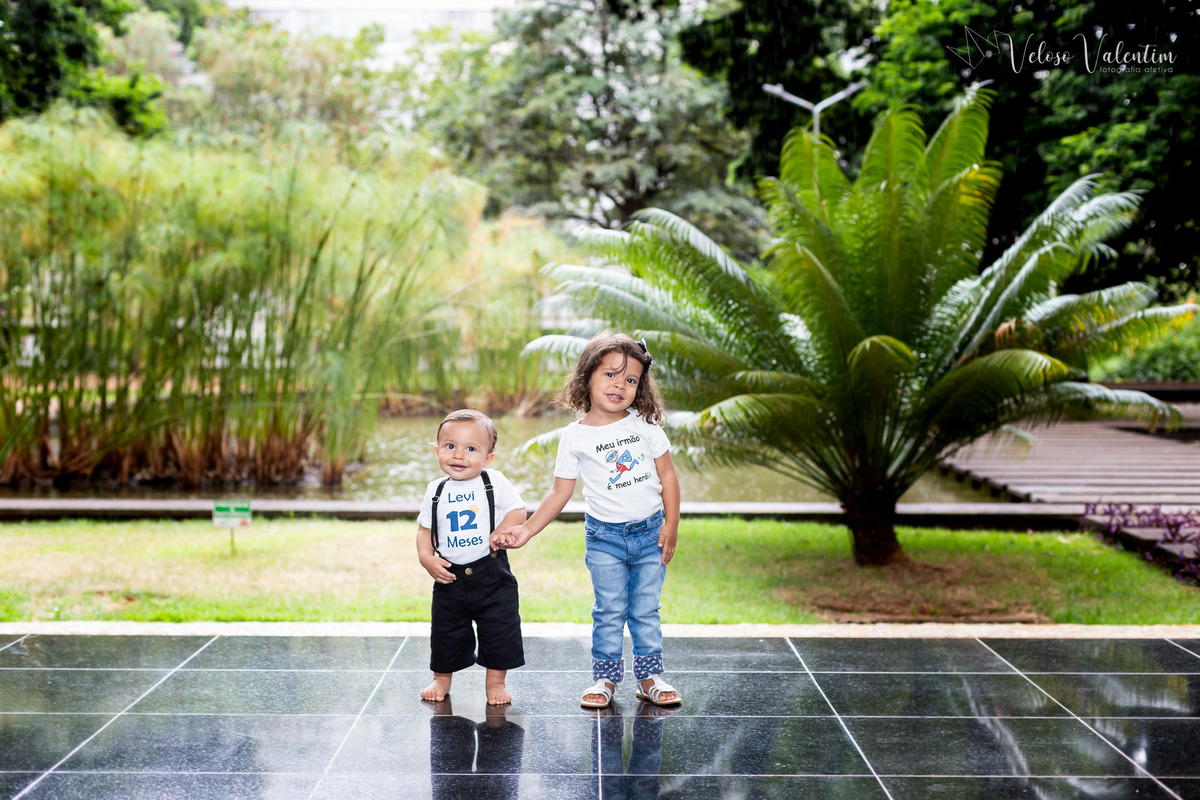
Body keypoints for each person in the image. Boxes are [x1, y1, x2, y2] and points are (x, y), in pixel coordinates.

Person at [494, 332, 682, 708]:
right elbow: (559, 492)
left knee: (645, 607)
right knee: (609, 609)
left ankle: (648, 678)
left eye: (630, 380)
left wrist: (672, 525)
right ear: (588, 377)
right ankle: (606, 678)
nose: (620, 385)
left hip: (650, 534)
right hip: (604, 539)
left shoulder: (645, 427)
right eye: (610, 375)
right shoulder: (575, 436)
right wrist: (528, 529)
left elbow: (669, 478)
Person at [417, 409, 527, 705]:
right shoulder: (435, 490)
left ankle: (495, 682)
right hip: (450, 576)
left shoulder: (494, 482)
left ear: (488, 458)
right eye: (450, 446)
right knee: (445, 630)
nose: (459, 456)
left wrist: (502, 531)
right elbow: (424, 529)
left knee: (499, 628)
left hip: (491, 573)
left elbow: (518, 511)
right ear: (437, 450)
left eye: (471, 449)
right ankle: (441, 679)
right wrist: (426, 558)